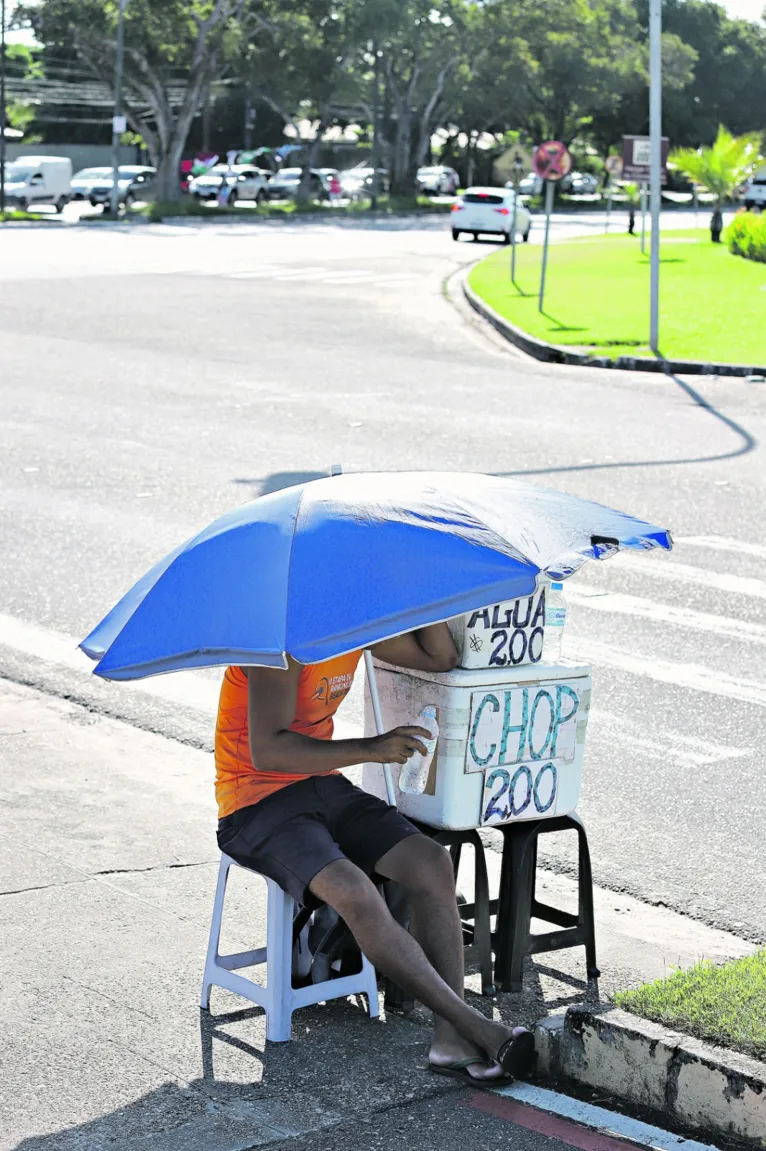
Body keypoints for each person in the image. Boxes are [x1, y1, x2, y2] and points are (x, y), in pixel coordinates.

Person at [215, 623, 534, 1085]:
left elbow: (438, 655)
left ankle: (449, 1040)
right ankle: (473, 1024)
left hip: (319, 784)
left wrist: (424, 597)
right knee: (358, 894)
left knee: (431, 864)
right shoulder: (281, 642)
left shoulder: (351, 627)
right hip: (254, 803)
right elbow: (269, 751)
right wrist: (373, 749)